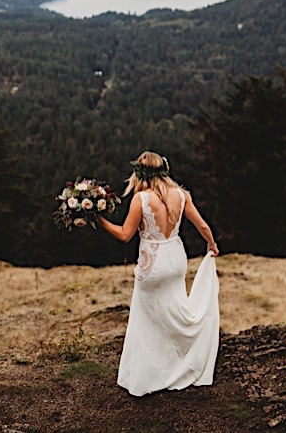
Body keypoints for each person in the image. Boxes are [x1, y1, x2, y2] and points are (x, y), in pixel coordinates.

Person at [97, 151, 221, 395]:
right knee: (172, 308)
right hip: (176, 259)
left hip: (152, 264)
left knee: (147, 319)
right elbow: (203, 225)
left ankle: (149, 376)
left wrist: (99, 220)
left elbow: (124, 235)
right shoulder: (181, 195)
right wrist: (211, 245)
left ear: (139, 174)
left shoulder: (141, 199)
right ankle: (178, 361)